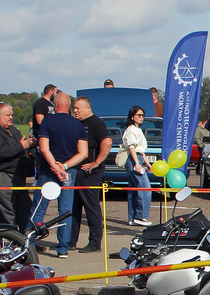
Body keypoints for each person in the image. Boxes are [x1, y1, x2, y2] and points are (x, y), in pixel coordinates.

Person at [33, 93, 89, 257]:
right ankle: (63, 248)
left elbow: (44, 148)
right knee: (65, 210)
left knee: (39, 208)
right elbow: (83, 153)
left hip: (47, 171)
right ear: (69, 106)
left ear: (55, 105)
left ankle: (29, 242)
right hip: (68, 172)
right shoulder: (78, 125)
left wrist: (54, 166)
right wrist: (63, 166)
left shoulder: (48, 121)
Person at [0, 103, 35, 232]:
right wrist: (21, 146)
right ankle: (13, 241)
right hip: (2, 175)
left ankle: (28, 238)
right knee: (8, 213)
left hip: (18, 175)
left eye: (11, 115)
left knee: (26, 208)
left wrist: (31, 143)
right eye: (8, 115)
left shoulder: (11, 129)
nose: (11, 118)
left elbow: (21, 142)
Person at [69, 97, 112, 253]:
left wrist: (97, 163)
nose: (75, 111)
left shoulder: (96, 123)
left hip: (91, 172)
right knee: (74, 207)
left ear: (87, 108)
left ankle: (95, 242)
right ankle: (71, 240)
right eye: (74, 108)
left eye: (78, 108)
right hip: (77, 171)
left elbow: (107, 142)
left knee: (91, 206)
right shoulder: (77, 124)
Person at [122, 106, 153, 226]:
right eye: (138, 115)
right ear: (132, 117)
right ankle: (141, 216)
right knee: (145, 188)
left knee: (134, 190)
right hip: (133, 159)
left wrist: (146, 162)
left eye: (143, 115)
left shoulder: (138, 129)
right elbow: (132, 148)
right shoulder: (131, 130)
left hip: (138, 157)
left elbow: (141, 150)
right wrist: (137, 163)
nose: (141, 118)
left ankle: (133, 217)